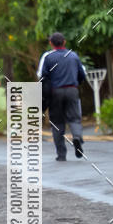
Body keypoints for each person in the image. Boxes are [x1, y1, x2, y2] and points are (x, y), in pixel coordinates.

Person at [41, 32, 86, 161]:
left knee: (57, 123)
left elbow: (44, 77)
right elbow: (81, 75)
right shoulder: (73, 56)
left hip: (56, 93)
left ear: (51, 43)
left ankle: (61, 154)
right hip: (72, 90)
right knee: (74, 119)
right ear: (64, 42)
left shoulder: (49, 58)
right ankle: (76, 137)